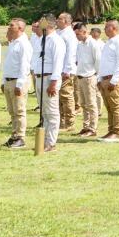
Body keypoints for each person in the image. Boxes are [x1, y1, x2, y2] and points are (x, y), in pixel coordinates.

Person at [32, 16, 65, 152]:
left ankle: (50, 142)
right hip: (40, 77)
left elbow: (58, 63)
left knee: (51, 112)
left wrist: (53, 82)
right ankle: (44, 140)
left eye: (41, 22)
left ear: (48, 25)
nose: (38, 24)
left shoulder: (56, 41)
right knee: (44, 112)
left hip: (50, 78)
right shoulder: (42, 40)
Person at [1, 19, 32, 148]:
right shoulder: (13, 43)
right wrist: (3, 81)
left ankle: (20, 137)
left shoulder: (24, 43)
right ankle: (14, 135)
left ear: (20, 28)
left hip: (17, 81)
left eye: (12, 25)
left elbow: (24, 66)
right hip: (9, 80)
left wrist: (19, 84)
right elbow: (8, 64)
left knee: (19, 110)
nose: (9, 27)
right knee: (12, 111)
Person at [95, 19, 119, 142]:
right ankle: (111, 130)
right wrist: (99, 78)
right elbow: (103, 62)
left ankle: (116, 132)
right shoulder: (108, 42)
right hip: (104, 78)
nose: (104, 29)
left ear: (113, 28)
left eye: (107, 27)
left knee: (115, 106)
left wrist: (114, 80)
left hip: (113, 79)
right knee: (108, 107)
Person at [71, 22, 100, 138]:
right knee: (83, 104)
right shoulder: (80, 44)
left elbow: (98, 61)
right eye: (75, 34)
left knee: (91, 104)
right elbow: (78, 60)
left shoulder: (93, 44)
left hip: (89, 77)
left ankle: (93, 128)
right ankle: (86, 126)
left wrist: (96, 76)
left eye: (78, 34)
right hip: (80, 76)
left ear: (84, 32)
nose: (77, 36)